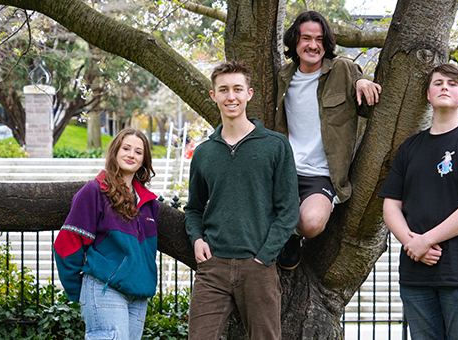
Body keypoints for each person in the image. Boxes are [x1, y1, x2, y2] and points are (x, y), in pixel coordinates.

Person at [378, 63, 458, 339]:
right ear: (428, 96)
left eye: (453, 83)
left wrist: (425, 240)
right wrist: (413, 244)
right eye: (438, 83)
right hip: (416, 274)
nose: (445, 86)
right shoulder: (410, 147)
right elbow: (390, 206)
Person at [184, 61, 300, 340]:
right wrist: (197, 239)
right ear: (214, 96)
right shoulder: (204, 153)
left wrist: (264, 256)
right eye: (223, 90)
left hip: (258, 266)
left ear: (249, 93)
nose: (231, 96)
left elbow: (289, 210)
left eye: (237, 89)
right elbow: (193, 208)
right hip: (213, 268)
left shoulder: (275, 145)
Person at [275, 10, 383, 270]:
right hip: (284, 171)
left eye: (320, 39)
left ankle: (291, 232)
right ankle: (284, 232)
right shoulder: (281, 77)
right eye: (306, 38)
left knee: (311, 223)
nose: (313, 45)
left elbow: (363, 90)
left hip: (321, 175)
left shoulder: (342, 69)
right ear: (295, 41)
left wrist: (362, 81)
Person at [53, 127, 158, 340]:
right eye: (126, 148)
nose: (131, 154)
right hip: (104, 290)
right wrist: (79, 291)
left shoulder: (149, 204)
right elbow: (66, 245)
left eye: (138, 152)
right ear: (115, 151)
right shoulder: (95, 191)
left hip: (138, 296)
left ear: (144, 159)